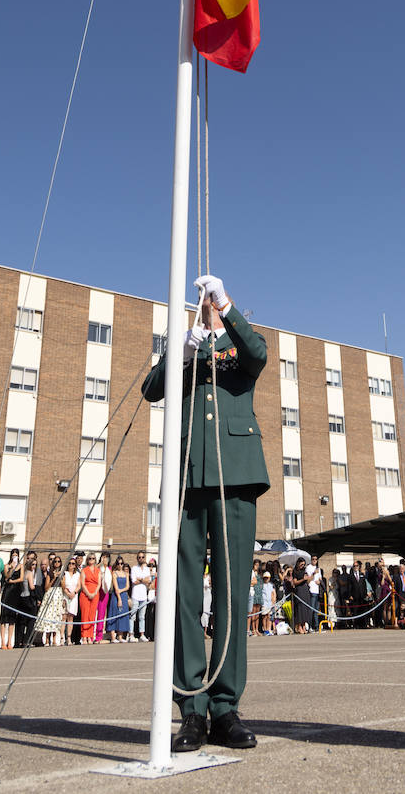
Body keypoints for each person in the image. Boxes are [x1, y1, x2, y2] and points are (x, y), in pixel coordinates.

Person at [142, 272, 269, 753]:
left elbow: (257, 355)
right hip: (187, 475)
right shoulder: (187, 351)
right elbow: (152, 389)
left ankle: (225, 706)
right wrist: (183, 350)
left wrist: (229, 305)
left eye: (211, 302)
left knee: (234, 593)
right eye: (204, 303)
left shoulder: (240, 344)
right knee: (182, 593)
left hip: (235, 475)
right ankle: (191, 708)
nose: (207, 308)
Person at [0, 549, 22, 650]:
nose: (15, 557)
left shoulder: (21, 566)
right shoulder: (6, 566)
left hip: (15, 592)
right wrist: (11, 568)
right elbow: (6, 577)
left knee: (12, 617)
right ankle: (3, 641)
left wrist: (13, 581)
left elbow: (21, 578)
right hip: (7, 592)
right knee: (4, 617)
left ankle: (9, 641)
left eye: (16, 555)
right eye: (13, 555)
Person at [79, 553, 101, 643]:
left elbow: (99, 583)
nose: (91, 560)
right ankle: (84, 636)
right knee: (85, 615)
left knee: (92, 615)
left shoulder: (98, 570)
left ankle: (90, 636)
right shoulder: (84, 570)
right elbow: (83, 584)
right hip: (85, 594)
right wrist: (88, 593)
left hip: (95, 594)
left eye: (93, 558)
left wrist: (95, 593)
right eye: (90, 558)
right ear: (87, 560)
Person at [109, 557, 131, 641]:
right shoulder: (114, 573)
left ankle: (120, 636)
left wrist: (121, 591)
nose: (120, 565)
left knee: (123, 615)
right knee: (114, 614)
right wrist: (119, 598)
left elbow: (127, 586)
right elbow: (115, 587)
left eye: (121, 563)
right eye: (118, 563)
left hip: (124, 595)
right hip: (116, 596)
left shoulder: (126, 574)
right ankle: (113, 637)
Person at [291, 558, 312, 634]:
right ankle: (299, 626)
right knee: (300, 608)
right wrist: (303, 579)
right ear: (298, 563)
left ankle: (304, 626)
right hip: (299, 590)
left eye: (303, 564)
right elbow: (295, 582)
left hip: (305, 589)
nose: (302, 566)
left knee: (305, 608)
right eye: (301, 564)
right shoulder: (295, 571)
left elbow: (308, 580)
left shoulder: (304, 571)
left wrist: (308, 578)